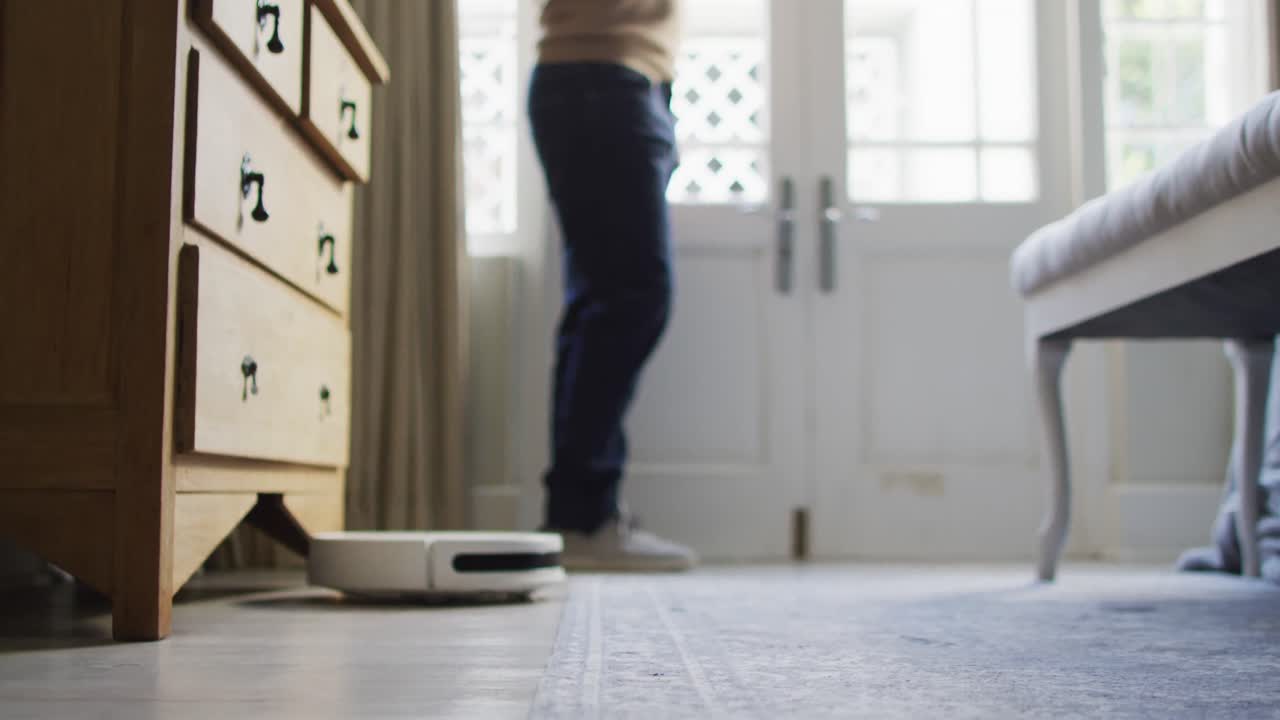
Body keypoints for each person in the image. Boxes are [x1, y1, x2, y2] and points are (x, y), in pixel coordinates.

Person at [528, 0, 697, 571]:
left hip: (604, 76)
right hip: (603, 77)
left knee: (603, 300)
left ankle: (579, 516)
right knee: (633, 296)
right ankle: (585, 516)